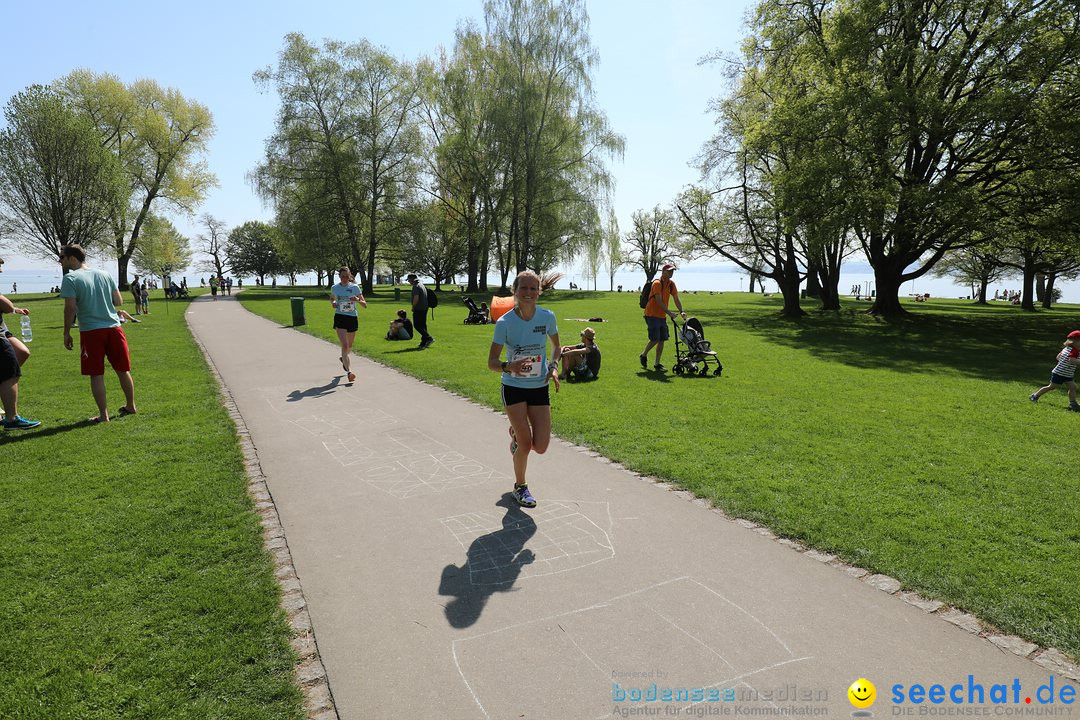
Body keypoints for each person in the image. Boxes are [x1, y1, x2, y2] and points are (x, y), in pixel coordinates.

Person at [487, 269, 561, 508]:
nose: (528, 293)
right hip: (514, 387)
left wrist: (553, 367)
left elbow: (557, 347)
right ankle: (521, 487)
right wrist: (510, 366)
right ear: (514, 291)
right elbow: (492, 363)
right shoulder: (505, 323)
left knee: (540, 447)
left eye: (533, 288)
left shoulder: (547, 317)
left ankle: (516, 435)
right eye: (523, 288)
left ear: (539, 291)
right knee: (527, 445)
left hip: (539, 386)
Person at [59, 244, 136, 423]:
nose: (60, 261)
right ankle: (131, 405)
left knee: (96, 373)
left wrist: (66, 333)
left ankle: (103, 415)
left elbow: (69, 309)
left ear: (72, 258)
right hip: (115, 329)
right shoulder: (105, 274)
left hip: (91, 331)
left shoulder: (70, 278)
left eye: (62, 257)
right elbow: (118, 301)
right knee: (122, 370)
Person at [639, 262, 686, 372]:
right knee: (655, 339)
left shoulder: (671, 284)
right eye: (669, 271)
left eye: (672, 271)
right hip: (651, 314)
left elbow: (676, 298)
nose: (671, 273)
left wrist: (682, 311)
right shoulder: (657, 283)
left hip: (661, 315)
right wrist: (670, 313)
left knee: (662, 339)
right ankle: (643, 355)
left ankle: (657, 364)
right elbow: (658, 301)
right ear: (663, 271)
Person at [330, 266, 366, 383]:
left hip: (352, 318)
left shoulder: (354, 287)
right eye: (342, 276)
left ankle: (344, 358)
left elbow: (364, 304)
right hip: (340, 317)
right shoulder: (335, 288)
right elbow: (332, 299)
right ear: (339, 276)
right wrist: (334, 302)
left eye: (346, 276)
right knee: (344, 345)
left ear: (349, 276)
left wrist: (356, 300)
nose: (344, 278)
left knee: (349, 346)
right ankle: (349, 372)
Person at [1030, 330, 1080, 411]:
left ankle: (1073, 403)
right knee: (1051, 387)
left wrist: (1063, 361)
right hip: (1059, 373)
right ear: (1074, 342)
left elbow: (1058, 357)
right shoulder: (1074, 351)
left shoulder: (1067, 348)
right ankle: (1035, 395)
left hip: (1067, 374)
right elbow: (1072, 360)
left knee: (1073, 387)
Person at [408, 273, 434, 349]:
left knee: (417, 325)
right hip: (425, 307)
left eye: (409, 280)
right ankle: (424, 342)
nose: (409, 282)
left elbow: (416, 297)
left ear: (412, 279)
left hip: (419, 308)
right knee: (423, 325)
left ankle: (429, 338)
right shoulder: (421, 285)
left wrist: (413, 307)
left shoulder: (416, 286)